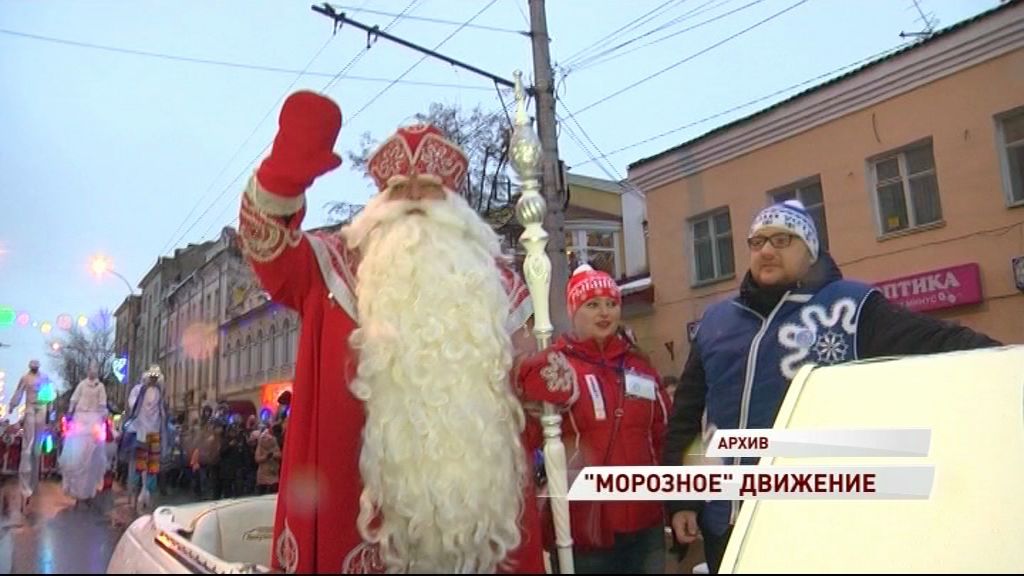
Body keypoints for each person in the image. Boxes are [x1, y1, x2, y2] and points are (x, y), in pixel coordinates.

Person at [237, 90, 541, 573]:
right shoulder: (331, 266)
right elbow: (267, 247)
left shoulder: (497, 286)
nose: (414, 199)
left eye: (429, 188)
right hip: (356, 513)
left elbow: (528, 392)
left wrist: (547, 382)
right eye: (400, 189)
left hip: (476, 527)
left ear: (454, 202)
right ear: (379, 201)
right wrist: (285, 171)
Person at [664, 200, 1003, 573]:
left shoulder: (851, 307)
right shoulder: (718, 321)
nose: (766, 251)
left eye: (782, 240)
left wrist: (1008, 359)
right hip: (726, 520)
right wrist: (683, 498)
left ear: (810, 250)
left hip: (814, 516)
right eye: (757, 242)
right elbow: (687, 416)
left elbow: (936, 340)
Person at [518, 264, 672, 574]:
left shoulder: (639, 366)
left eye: (611, 303)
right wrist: (533, 382)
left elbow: (663, 435)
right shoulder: (559, 366)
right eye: (592, 304)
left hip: (646, 523)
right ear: (574, 311)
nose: (604, 312)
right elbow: (529, 437)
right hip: (586, 528)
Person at [59, 361, 109, 503]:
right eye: (90, 369)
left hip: (94, 419)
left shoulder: (100, 387)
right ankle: (75, 487)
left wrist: (103, 417)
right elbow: (74, 399)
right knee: (76, 454)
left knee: (91, 455)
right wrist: (70, 412)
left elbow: (102, 404)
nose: (92, 372)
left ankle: (88, 489)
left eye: (94, 370)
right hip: (80, 418)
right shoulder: (82, 385)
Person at [124, 365, 169, 513]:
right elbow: (134, 406)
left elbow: (161, 411)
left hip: (153, 433)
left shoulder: (159, 392)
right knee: (139, 463)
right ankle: (135, 490)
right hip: (140, 432)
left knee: (152, 464)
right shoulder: (140, 390)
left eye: (156, 378)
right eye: (152, 377)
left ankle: (147, 491)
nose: (153, 380)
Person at [8, 359, 47, 507]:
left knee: (37, 449)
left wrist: (49, 410)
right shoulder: (25, 378)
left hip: (41, 408)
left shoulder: (44, 378)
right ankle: (25, 484)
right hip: (30, 408)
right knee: (28, 447)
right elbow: (18, 392)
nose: (34, 369)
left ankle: (34, 482)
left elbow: (50, 395)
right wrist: (12, 405)